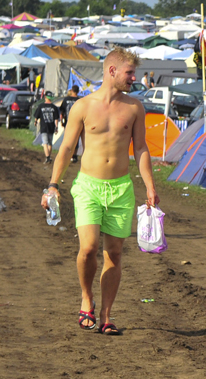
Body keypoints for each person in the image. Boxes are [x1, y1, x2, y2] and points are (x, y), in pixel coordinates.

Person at [41, 48, 159, 336]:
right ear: (112, 71)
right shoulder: (82, 106)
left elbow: (141, 148)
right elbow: (67, 148)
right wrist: (53, 185)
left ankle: (106, 315)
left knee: (114, 255)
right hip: (88, 186)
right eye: (130, 73)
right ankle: (86, 298)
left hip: (121, 189)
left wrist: (150, 185)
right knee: (88, 248)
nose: (134, 78)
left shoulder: (134, 107)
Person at [35, 93, 61, 164]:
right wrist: (56, 127)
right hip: (51, 127)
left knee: (45, 143)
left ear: (45, 97)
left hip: (44, 127)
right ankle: (48, 157)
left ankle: (47, 157)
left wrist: (35, 122)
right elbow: (56, 119)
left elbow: (36, 116)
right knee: (50, 143)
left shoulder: (41, 106)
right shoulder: (54, 107)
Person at [60, 85, 82, 163]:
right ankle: (74, 155)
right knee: (76, 139)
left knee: (67, 139)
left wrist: (62, 120)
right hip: (78, 123)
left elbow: (61, 111)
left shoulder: (66, 99)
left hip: (68, 122)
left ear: (72, 90)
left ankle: (67, 155)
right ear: (78, 91)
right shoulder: (80, 100)